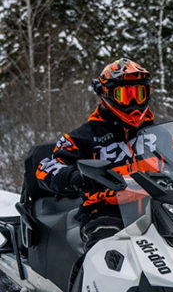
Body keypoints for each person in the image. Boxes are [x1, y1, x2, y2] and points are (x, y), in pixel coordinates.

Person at [36, 58, 156, 250]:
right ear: (107, 95)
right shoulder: (85, 136)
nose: (134, 102)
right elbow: (46, 167)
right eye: (125, 95)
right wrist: (74, 177)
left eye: (139, 94)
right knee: (106, 255)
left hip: (157, 210)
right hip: (106, 213)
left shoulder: (158, 134)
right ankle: (82, 279)